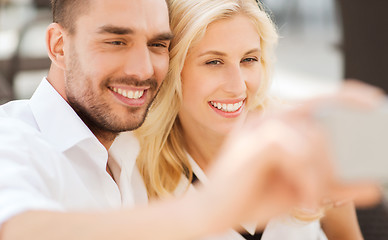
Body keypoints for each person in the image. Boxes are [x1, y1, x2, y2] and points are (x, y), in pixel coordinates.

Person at [0, 0, 381, 239]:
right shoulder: (14, 139)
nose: (142, 68)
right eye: (115, 40)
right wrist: (212, 209)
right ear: (58, 46)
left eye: (157, 45)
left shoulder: (124, 153)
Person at [133, 0, 370, 239]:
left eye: (248, 59)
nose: (237, 87)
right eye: (214, 62)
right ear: (173, 69)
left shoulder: (307, 145)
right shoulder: (137, 171)